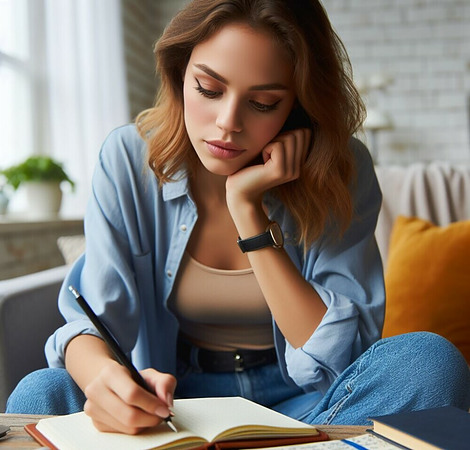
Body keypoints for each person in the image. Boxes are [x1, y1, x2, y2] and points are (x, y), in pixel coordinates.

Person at [7, 0, 470, 434]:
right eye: (208, 88)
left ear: (297, 106)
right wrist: (108, 381)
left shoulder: (342, 170)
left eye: (263, 103)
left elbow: (340, 360)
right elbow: (92, 323)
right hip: (172, 403)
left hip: (313, 406)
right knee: (42, 391)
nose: (228, 122)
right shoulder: (129, 158)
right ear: (179, 72)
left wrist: (248, 211)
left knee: (428, 362)